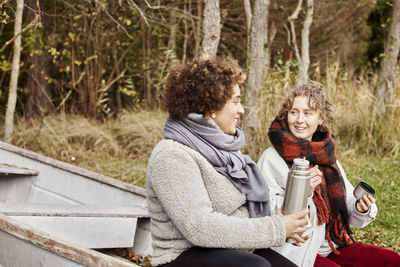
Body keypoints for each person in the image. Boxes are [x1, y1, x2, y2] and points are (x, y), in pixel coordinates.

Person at [146, 58, 310, 267]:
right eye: (235, 101)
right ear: (209, 106)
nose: (241, 109)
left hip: (227, 251)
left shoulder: (223, 151)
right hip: (180, 256)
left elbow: (234, 212)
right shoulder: (172, 155)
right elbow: (200, 227)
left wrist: (279, 222)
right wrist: (275, 228)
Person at [257, 81, 400, 267]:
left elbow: (347, 202)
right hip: (297, 251)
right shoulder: (271, 158)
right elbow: (262, 210)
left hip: (333, 245)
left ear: (321, 118)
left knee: (392, 261)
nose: (300, 119)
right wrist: (302, 192)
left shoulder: (326, 154)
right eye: (294, 112)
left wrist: (360, 207)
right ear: (286, 114)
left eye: (308, 113)